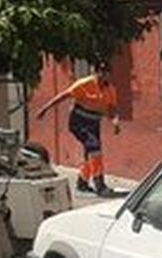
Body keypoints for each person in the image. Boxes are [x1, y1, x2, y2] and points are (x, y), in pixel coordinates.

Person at [38, 64, 120, 195]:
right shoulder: (84, 84)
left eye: (107, 73)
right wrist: (44, 109)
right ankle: (100, 184)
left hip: (94, 123)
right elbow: (63, 96)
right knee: (95, 149)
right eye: (102, 72)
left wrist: (115, 122)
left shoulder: (110, 89)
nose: (105, 76)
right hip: (79, 123)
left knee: (91, 153)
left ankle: (82, 182)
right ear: (96, 72)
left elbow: (112, 109)